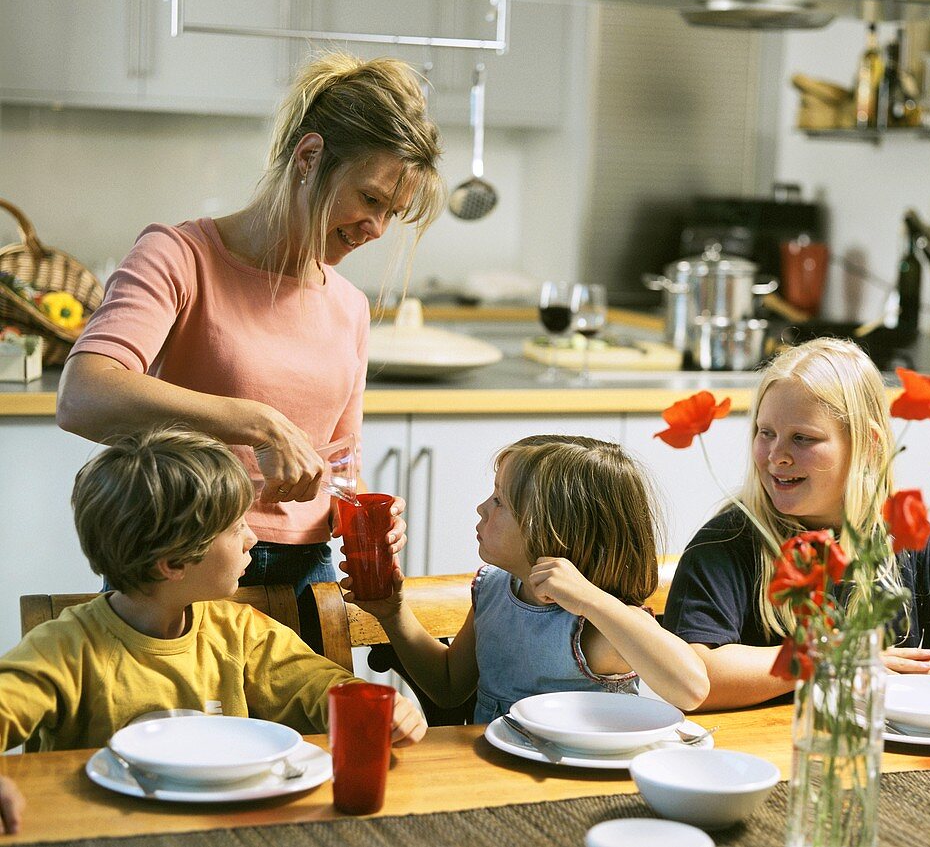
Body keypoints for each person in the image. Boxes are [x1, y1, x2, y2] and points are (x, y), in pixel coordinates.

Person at [55, 51, 446, 594]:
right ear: (309, 157)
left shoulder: (351, 306)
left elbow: (338, 465)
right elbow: (83, 396)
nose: (376, 228)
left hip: (308, 574)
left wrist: (358, 510)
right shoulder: (179, 255)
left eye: (391, 213)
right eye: (370, 198)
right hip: (185, 559)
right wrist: (256, 423)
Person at [663, 338, 930, 710]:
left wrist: (891, 668)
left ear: (868, 445)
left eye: (802, 438)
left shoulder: (901, 537)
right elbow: (697, 676)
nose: (776, 455)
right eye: (766, 433)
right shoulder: (726, 541)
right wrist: (835, 659)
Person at [0, 427, 426, 761]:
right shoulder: (66, 649)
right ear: (174, 563)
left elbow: (319, 687)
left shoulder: (241, 632)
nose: (253, 537)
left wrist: (380, 710)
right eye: (238, 526)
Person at [348, 435, 710, 722]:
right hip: (493, 774)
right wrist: (393, 614)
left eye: (500, 501)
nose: (481, 507)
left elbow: (692, 688)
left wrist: (592, 600)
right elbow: (447, 686)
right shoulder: (493, 589)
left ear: (554, 530)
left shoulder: (597, 626)